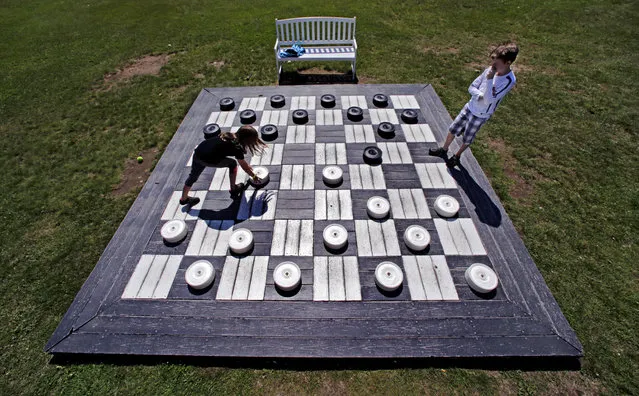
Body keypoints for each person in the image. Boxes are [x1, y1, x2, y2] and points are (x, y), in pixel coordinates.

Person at [429, 43, 519, 168]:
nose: (492, 64)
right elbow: (471, 87)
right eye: (493, 60)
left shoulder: (509, 80)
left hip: (481, 114)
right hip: (470, 107)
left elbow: (488, 100)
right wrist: (479, 95)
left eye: (496, 62)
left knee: (467, 138)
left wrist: (489, 79)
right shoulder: (490, 69)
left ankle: (457, 156)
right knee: (453, 128)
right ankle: (444, 149)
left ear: (508, 62)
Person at [180, 125, 267, 206]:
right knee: (232, 163)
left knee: (193, 176)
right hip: (208, 158)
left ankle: (183, 199)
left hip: (198, 152)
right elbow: (244, 166)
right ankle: (233, 189)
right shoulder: (237, 148)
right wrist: (254, 176)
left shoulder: (229, 135)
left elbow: (243, 163)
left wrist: (246, 165)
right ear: (246, 140)